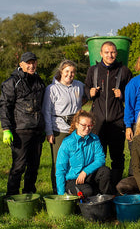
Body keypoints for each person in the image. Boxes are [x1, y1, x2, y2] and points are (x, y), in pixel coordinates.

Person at [85, 41, 133, 186]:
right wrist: (90, 92)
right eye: (106, 52)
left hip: (117, 120)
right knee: (98, 156)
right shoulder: (92, 70)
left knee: (117, 156)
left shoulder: (124, 71)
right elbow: (86, 88)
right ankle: (100, 187)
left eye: (112, 52)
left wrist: (122, 94)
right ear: (101, 54)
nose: (110, 55)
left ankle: (116, 185)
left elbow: (131, 95)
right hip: (97, 122)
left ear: (116, 53)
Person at [0, 52, 45, 196]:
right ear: (21, 65)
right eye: (28, 63)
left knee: (34, 166)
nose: (31, 65)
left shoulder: (39, 81)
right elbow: (4, 106)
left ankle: (29, 193)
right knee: (19, 166)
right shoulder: (12, 82)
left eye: (34, 62)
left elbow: (44, 104)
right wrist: (6, 128)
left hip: (37, 131)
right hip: (20, 131)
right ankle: (11, 196)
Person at [42, 60, 86, 193]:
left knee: (76, 161)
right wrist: (49, 131)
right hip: (59, 129)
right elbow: (46, 111)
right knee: (59, 163)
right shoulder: (52, 89)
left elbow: (87, 96)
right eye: (67, 71)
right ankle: (57, 191)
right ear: (61, 72)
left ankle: (72, 189)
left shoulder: (79, 86)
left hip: (75, 129)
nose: (70, 74)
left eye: (72, 72)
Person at [56, 110, 113, 197]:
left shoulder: (95, 139)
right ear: (77, 124)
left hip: (89, 175)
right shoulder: (67, 143)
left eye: (90, 126)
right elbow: (60, 170)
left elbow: (101, 159)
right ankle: (91, 195)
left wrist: (85, 171)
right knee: (88, 191)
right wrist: (61, 195)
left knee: (105, 171)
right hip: (73, 179)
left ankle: (105, 199)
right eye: (84, 125)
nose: (87, 129)